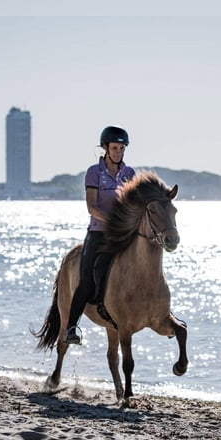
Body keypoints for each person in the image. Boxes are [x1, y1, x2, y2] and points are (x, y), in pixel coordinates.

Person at [62, 125, 136, 345]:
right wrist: (114, 222)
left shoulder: (129, 174)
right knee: (86, 279)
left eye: (121, 148)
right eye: (114, 148)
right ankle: (71, 327)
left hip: (121, 235)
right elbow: (92, 208)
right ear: (105, 148)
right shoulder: (94, 172)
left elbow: (132, 206)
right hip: (98, 233)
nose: (118, 152)